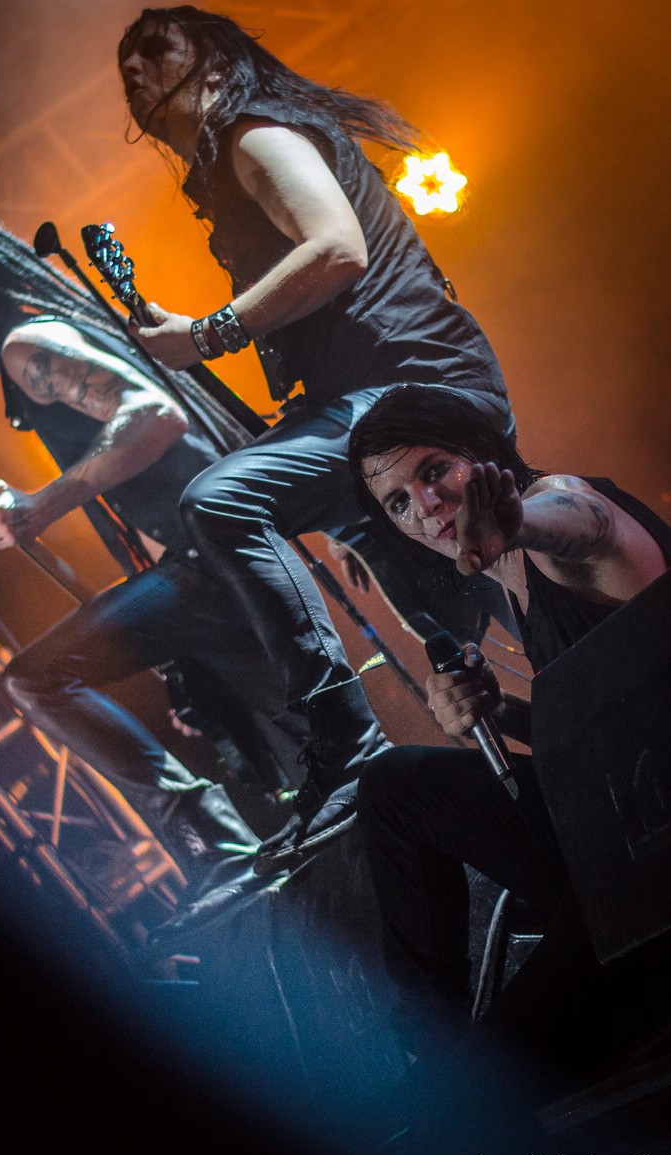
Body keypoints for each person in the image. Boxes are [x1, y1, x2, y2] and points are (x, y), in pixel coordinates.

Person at [116, 5, 515, 876]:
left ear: (213, 61)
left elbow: (337, 249)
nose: (134, 72)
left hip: (415, 392)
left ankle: (342, 735)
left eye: (153, 50)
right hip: (377, 405)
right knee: (460, 643)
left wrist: (208, 334)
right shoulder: (240, 152)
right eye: (124, 68)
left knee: (220, 499)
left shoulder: (254, 135)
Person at [0, 218, 307, 948]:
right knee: (298, 752)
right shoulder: (31, 350)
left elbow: (155, 414)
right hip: (214, 554)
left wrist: (40, 505)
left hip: (211, 557)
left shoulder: (25, 346)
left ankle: (212, 840)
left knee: (35, 679)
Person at [347, 383, 671, 1084]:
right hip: (608, 838)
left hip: (653, 871)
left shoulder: (559, 509)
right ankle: (423, 1044)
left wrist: (518, 522)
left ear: (482, 450)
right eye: (397, 503)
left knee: (483, 1088)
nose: (425, 505)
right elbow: (612, 724)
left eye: (435, 470)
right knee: (396, 784)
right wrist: (499, 713)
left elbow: (588, 524)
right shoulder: (508, 570)